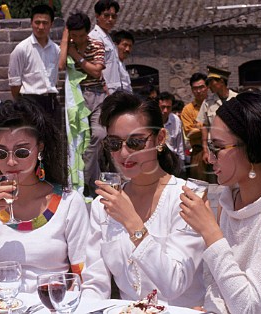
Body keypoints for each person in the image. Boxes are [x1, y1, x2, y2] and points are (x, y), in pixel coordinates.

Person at [81, 91, 205, 307]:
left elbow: (174, 284)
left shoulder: (187, 198)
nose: (124, 153)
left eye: (135, 142)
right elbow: (95, 282)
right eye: (114, 143)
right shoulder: (104, 206)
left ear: (160, 139)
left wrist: (133, 224)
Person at [0, 99, 89, 293]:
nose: (11, 161)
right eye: (0, 153)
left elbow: (84, 279)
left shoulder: (69, 203)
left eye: (22, 152)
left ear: (40, 147)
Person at [180, 91, 261, 313]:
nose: (209, 158)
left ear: (252, 149)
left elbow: (249, 306)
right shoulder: (228, 200)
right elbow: (214, 282)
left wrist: (211, 233)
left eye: (217, 147)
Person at [59, 12, 106, 197]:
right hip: (76, 97)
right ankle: (92, 186)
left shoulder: (97, 45)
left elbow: (96, 71)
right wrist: (65, 40)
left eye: (81, 35)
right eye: (74, 35)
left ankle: (84, 180)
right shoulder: (68, 44)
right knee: (80, 141)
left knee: (99, 135)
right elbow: (61, 65)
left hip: (96, 96)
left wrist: (76, 55)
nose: (77, 39)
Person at [8, 4, 63, 133]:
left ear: (51, 24)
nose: (41, 27)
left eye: (45, 23)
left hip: (51, 103)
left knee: (52, 143)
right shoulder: (21, 49)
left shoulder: (56, 49)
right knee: (32, 142)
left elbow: (54, 79)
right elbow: (14, 84)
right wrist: (24, 104)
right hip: (29, 103)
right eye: (37, 22)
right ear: (31, 23)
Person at [197, 66, 237, 182]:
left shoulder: (237, 98)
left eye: (211, 82)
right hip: (214, 149)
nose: (209, 86)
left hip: (233, 148)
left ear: (221, 81)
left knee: (233, 179)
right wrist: (205, 150)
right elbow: (204, 126)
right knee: (215, 182)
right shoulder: (207, 103)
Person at [89, 0, 123, 94]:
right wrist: (105, 90)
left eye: (114, 16)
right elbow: (95, 68)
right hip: (104, 91)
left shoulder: (108, 38)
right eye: (106, 15)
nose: (110, 19)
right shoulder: (94, 38)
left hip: (115, 89)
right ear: (97, 16)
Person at [181, 73, 210, 181]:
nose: (198, 91)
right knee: (199, 186)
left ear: (207, 87)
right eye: (195, 88)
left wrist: (199, 126)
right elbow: (189, 132)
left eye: (201, 87)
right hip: (198, 151)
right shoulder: (188, 109)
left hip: (217, 150)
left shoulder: (214, 105)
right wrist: (207, 127)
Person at [158, 91, 185, 174]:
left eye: (168, 107)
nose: (165, 110)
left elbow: (180, 143)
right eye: (163, 107)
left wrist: (182, 164)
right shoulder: (151, 120)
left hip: (172, 159)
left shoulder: (176, 120)